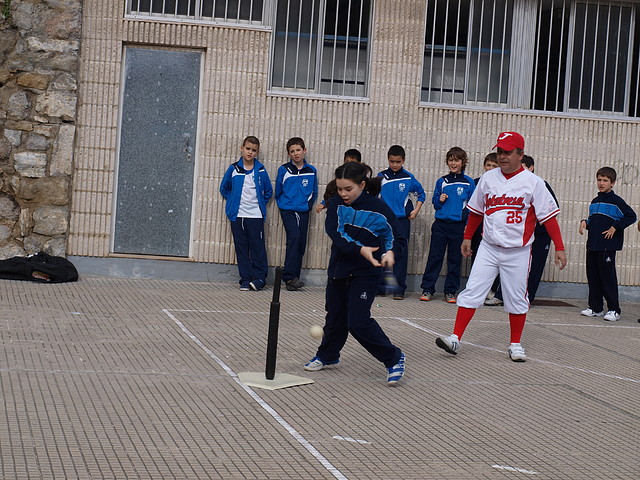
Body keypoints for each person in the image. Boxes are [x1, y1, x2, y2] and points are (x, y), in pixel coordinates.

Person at [435, 132, 567, 362]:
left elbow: (549, 218)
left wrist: (560, 247)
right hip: (488, 246)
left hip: (518, 251)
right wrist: (467, 237)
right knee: (472, 290)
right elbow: (476, 211)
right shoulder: (488, 178)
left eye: (508, 152)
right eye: (500, 151)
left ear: (520, 154)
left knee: (516, 298)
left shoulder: (534, 183)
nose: (503, 156)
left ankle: (515, 343)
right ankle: (455, 337)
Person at [303, 161, 406, 386]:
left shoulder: (379, 208)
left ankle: (394, 358)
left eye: (348, 189)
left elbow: (397, 237)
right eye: (340, 189)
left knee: (357, 322)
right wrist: (359, 249)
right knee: (335, 316)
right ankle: (328, 355)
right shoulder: (335, 204)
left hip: (366, 273)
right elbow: (336, 235)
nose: (343, 193)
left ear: (362, 184)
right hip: (340, 269)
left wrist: (390, 253)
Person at [485, 155, 558, 305]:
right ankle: (501, 295)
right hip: (519, 236)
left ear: (531, 168)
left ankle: (527, 298)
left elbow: (550, 212)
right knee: (509, 266)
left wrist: (559, 246)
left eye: (524, 167)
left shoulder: (539, 184)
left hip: (540, 234)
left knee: (534, 267)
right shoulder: (513, 185)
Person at [579, 167, 637, 321]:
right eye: (599, 180)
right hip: (592, 245)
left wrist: (615, 227)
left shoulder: (616, 201)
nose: (601, 183)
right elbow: (594, 221)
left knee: (608, 278)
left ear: (613, 183)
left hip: (607, 246)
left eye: (605, 180)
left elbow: (631, 216)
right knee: (593, 277)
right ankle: (596, 308)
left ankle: (614, 310)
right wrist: (585, 222)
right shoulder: (595, 201)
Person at [420, 147, 475, 303]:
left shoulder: (469, 183)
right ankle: (427, 289)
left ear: (463, 162)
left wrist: (467, 226)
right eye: (450, 160)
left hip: (458, 226)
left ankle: (450, 291)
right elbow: (436, 204)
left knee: (454, 259)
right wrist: (440, 199)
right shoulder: (442, 181)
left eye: (456, 160)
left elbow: (472, 207)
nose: (453, 163)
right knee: (435, 257)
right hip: (441, 225)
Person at [219, 136, 273, 291]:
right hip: (238, 215)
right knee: (241, 248)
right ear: (242, 148)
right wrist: (233, 202)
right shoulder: (234, 169)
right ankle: (245, 279)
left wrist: (259, 204)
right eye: (248, 148)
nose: (250, 152)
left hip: (255, 215)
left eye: (254, 150)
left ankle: (260, 278)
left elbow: (268, 191)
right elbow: (224, 188)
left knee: (257, 248)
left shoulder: (261, 170)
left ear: (257, 152)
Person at [377, 145, 426, 300]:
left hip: (402, 221)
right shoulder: (381, 177)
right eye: (392, 161)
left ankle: (398, 289)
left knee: (400, 253)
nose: (395, 164)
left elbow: (421, 194)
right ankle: (381, 286)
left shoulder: (408, 177)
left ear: (403, 160)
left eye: (398, 161)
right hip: (385, 221)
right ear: (388, 160)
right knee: (383, 252)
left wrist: (416, 210)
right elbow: (373, 196)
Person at [275, 137, 318, 291]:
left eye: (298, 150)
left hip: (304, 210)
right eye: (292, 151)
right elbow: (278, 191)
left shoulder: (311, 170)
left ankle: (294, 278)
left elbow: (314, 191)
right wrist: (283, 204)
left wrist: (307, 205)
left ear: (304, 150)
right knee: (294, 237)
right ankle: (288, 276)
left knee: (301, 243)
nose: (296, 153)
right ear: (289, 154)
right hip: (288, 209)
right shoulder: (284, 170)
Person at [316, 149, 362, 213]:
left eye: (349, 189)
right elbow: (331, 196)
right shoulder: (335, 183)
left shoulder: (364, 182)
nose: (349, 165)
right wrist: (324, 204)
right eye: (346, 162)